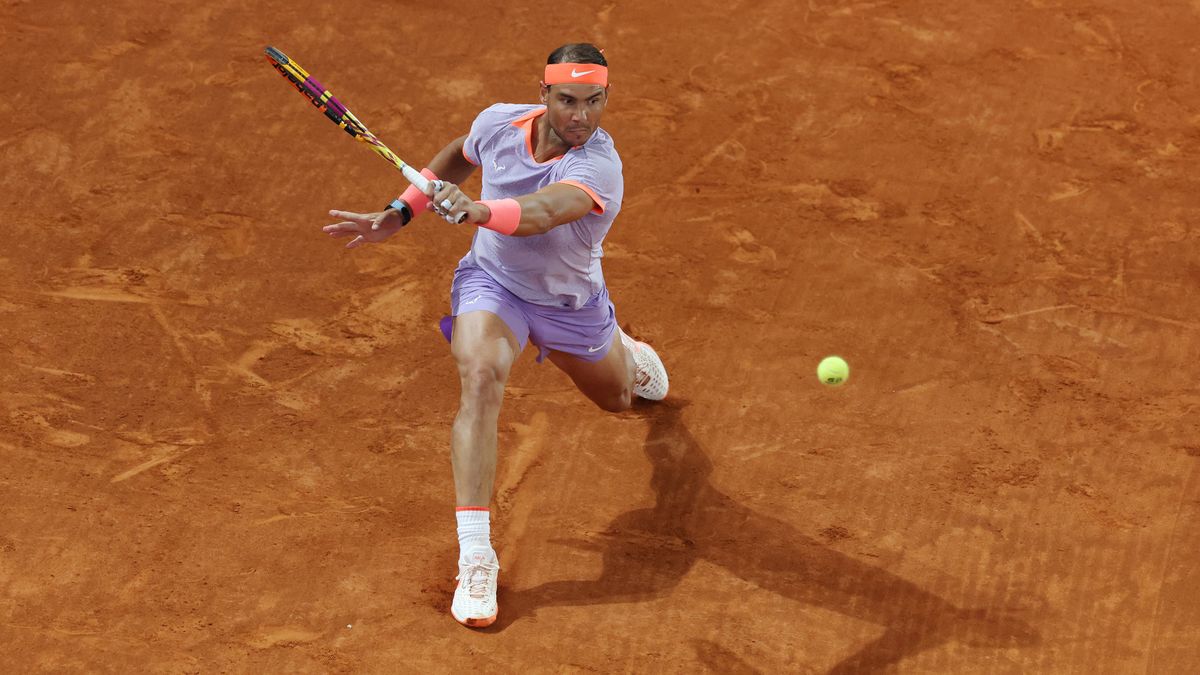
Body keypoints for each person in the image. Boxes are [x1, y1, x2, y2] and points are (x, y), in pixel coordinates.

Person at [322, 43, 670, 628]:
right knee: (480, 375)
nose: (579, 115)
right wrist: (400, 212)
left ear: (606, 99)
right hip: (493, 283)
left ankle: (626, 354)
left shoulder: (598, 165)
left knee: (619, 401)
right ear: (543, 96)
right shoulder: (498, 123)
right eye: (566, 100)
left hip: (569, 303)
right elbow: (456, 157)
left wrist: (480, 212)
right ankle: (477, 551)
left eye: (592, 102)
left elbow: (540, 213)